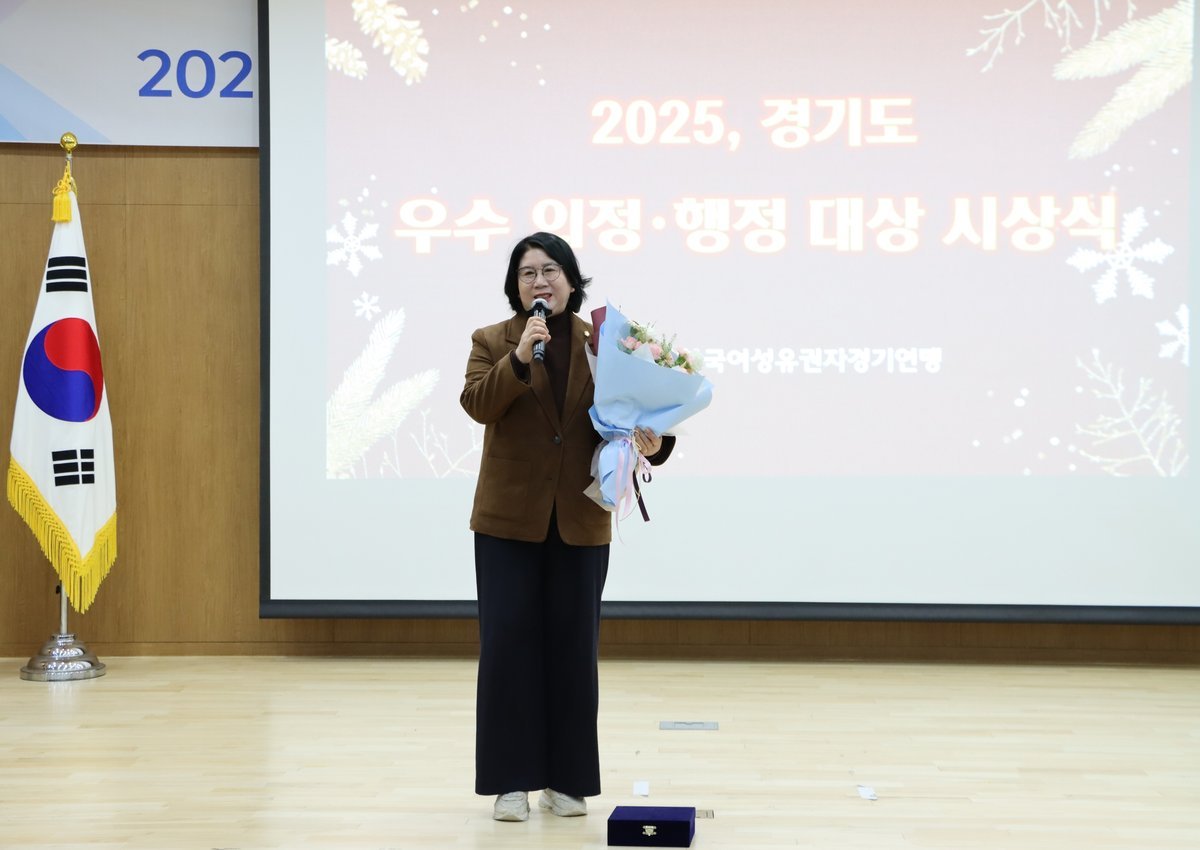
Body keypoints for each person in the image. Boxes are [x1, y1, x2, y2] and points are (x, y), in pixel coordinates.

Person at [460, 232, 675, 822]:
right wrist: (518, 358)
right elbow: (477, 404)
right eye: (527, 273)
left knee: (573, 651)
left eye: (550, 270)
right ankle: (510, 782)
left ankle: (567, 781)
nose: (540, 281)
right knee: (507, 650)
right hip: (507, 522)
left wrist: (653, 445)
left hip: (579, 520)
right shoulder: (492, 341)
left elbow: (642, 416)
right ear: (515, 287)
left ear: (572, 280)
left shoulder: (606, 343)